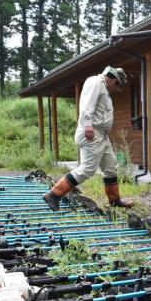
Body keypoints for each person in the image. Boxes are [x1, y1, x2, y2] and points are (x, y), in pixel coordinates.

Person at [43, 66, 134, 211]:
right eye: (117, 85)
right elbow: (87, 104)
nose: (116, 89)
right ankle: (54, 195)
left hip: (101, 135)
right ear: (114, 80)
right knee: (87, 169)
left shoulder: (103, 87)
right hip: (92, 132)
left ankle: (115, 201)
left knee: (110, 167)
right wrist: (87, 124)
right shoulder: (95, 82)